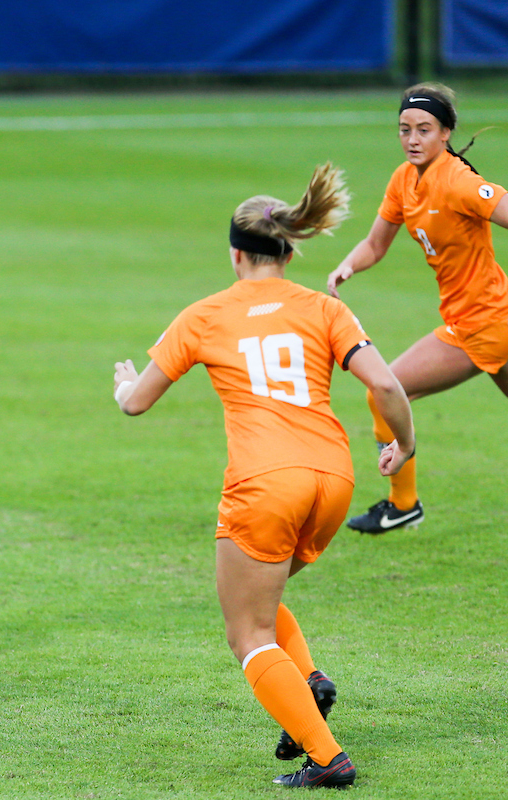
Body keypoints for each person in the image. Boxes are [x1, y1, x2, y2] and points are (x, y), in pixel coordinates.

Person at [113, 164, 414, 789]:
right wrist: (403, 445)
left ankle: (328, 759)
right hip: (333, 479)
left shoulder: (204, 315)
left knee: (246, 629)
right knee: (263, 600)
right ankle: (308, 682)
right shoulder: (324, 308)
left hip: (264, 481)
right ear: (288, 248)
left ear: (235, 253)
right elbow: (384, 382)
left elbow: (137, 402)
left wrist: (120, 386)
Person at [327, 83, 508, 534]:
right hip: (479, 319)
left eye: (424, 129)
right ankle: (403, 504)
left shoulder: (459, 182)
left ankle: (403, 503)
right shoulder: (403, 180)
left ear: (445, 133)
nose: (412, 138)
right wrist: (348, 267)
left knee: (383, 389)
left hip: (483, 324)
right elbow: (375, 244)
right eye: (405, 129)